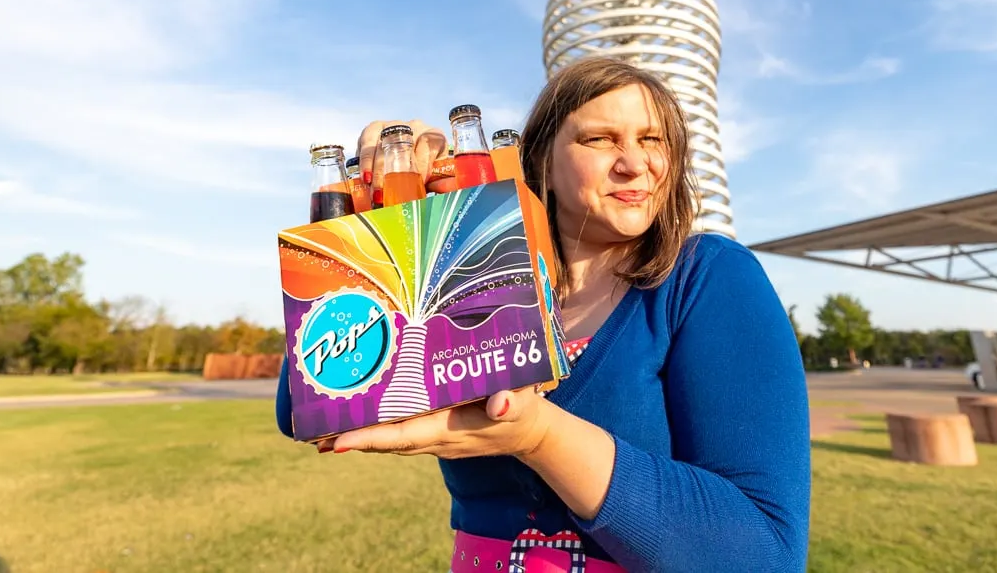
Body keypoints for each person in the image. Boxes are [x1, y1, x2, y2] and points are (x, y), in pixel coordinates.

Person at [277, 57, 810, 571]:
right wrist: (382, 228)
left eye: (653, 139)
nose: (634, 162)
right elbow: (305, 406)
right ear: (543, 166)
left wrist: (538, 437)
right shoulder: (478, 280)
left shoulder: (708, 277)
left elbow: (767, 553)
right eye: (600, 139)